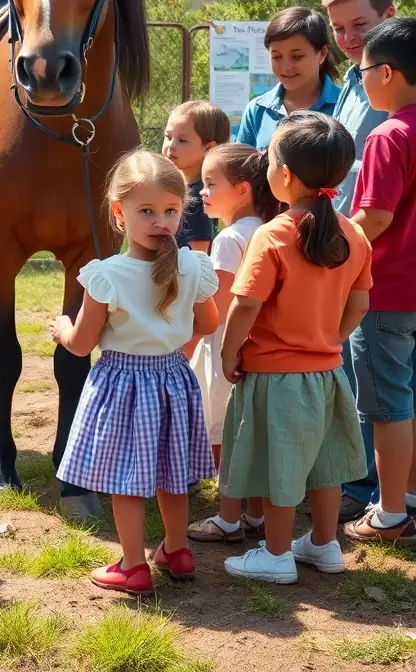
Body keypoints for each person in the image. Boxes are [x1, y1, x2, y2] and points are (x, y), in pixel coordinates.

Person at [51, 150, 219, 593]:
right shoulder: (192, 266)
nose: (160, 220)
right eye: (148, 210)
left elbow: (83, 344)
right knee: (172, 470)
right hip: (174, 380)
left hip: (123, 384)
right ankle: (177, 550)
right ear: (120, 212)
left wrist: (62, 328)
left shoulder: (106, 276)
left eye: (169, 210)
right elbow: (209, 323)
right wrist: (173, 349)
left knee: (127, 478)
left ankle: (132, 565)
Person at [219, 112, 370, 584]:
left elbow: (244, 305)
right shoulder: (354, 233)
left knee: (279, 464)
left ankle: (278, 554)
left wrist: (228, 352)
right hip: (327, 373)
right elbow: (360, 303)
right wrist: (331, 339)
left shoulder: (273, 233)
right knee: (326, 466)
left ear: (284, 176)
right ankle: (324, 545)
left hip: (274, 376)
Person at [323, 0, 396, 522]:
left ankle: (376, 492)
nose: (348, 38)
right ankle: (364, 481)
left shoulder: (394, 88)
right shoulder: (353, 79)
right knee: (353, 368)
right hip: (347, 247)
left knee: (376, 378)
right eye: (338, 26)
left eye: (360, 25)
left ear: (388, 20)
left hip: (379, 252)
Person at [343, 18, 416, 546]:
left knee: (387, 407)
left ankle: (389, 514)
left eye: (363, 69)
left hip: (386, 293)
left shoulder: (388, 135)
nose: (360, 77)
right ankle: (408, 498)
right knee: (410, 401)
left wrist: (328, 244)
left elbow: (375, 217)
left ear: (386, 73)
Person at [186, 144, 280, 545]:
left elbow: (218, 306)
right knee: (251, 432)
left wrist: (184, 335)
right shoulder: (267, 228)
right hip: (257, 347)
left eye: (210, 183)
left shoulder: (228, 239)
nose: (200, 192)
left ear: (242, 189)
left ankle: (227, 517)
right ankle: (255, 513)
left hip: (224, 348)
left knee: (223, 437)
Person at [237, 8, 340, 150]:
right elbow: (240, 168)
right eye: (277, 57)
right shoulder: (257, 110)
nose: (286, 68)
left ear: (322, 53)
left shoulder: (344, 105)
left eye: (297, 57)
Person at [163, 101, 230, 252]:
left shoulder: (198, 198)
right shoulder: (175, 187)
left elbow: (199, 256)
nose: (171, 145)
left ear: (209, 148)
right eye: (168, 136)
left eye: (182, 140)